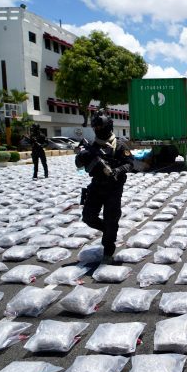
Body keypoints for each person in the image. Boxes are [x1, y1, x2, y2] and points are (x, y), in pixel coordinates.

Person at [75, 110, 135, 264]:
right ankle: (108, 231)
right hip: (96, 186)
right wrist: (82, 157)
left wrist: (117, 170)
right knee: (88, 217)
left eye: (100, 127)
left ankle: (108, 250)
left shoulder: (120, 144)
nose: (98, 130)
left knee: (111, 219)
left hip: (113, 188)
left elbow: (130, 163)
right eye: (96, 127)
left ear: (108, 126)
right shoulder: (91, 146)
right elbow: (79, 167)